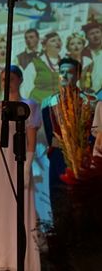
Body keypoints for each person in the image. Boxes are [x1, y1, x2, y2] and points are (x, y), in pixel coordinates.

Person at [0, 65, 42, 271]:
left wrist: (27, 168)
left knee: (17, 209)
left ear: (20, 80)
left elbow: (31, 140)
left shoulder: (29, 106)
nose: (7, 83)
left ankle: (17, 259)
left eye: (11, 79)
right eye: (4, 79)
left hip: (17, 164)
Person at [40, 58, 96, 214]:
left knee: (82, 203)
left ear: (78, 76)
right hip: (58, 156)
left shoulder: (89, 102)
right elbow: (49, 135)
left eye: (69, 72)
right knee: (58, 199)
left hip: (82, 156)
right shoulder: (48, 102)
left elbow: (93, 133)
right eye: (61, 72)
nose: (64, 75)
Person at [22, 31, 63, 105]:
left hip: (59, 106)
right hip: (39, 105)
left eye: (59, 40)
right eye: (53, 41)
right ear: (44, 46)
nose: (58, 43)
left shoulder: (65, 63)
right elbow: (25, 89)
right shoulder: (34, 64)